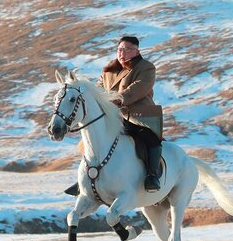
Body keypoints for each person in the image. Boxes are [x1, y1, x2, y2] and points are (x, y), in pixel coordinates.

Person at [65, 36, 163, 196]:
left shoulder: (146, 68)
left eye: (126, 49)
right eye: (119, 49)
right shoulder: (109, 70)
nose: (122, 53)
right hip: (113, 116)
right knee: (89, 141)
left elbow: (138, 88)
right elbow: (99, 90)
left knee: (150, 140)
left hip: (138, 116)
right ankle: (86, 179)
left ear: (136, 51)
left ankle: (152, 176)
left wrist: (118, 99)